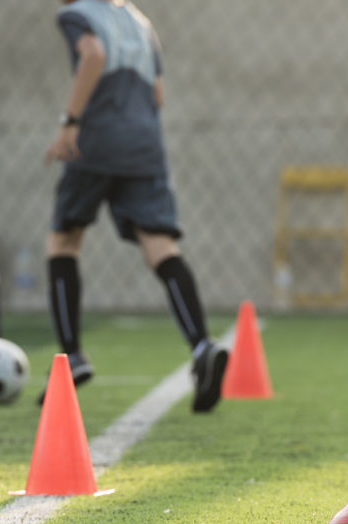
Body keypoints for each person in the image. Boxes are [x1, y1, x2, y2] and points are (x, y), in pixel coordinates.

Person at [43, 0, 228, 412]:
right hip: (145, 145)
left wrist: (70, 121)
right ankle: (200, 344)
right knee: (160, 245)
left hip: (96, 141)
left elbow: (93, 54)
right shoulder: (139, 21)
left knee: (63, 241)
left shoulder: (76, 15)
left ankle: (72, 354)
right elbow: (157, 93)